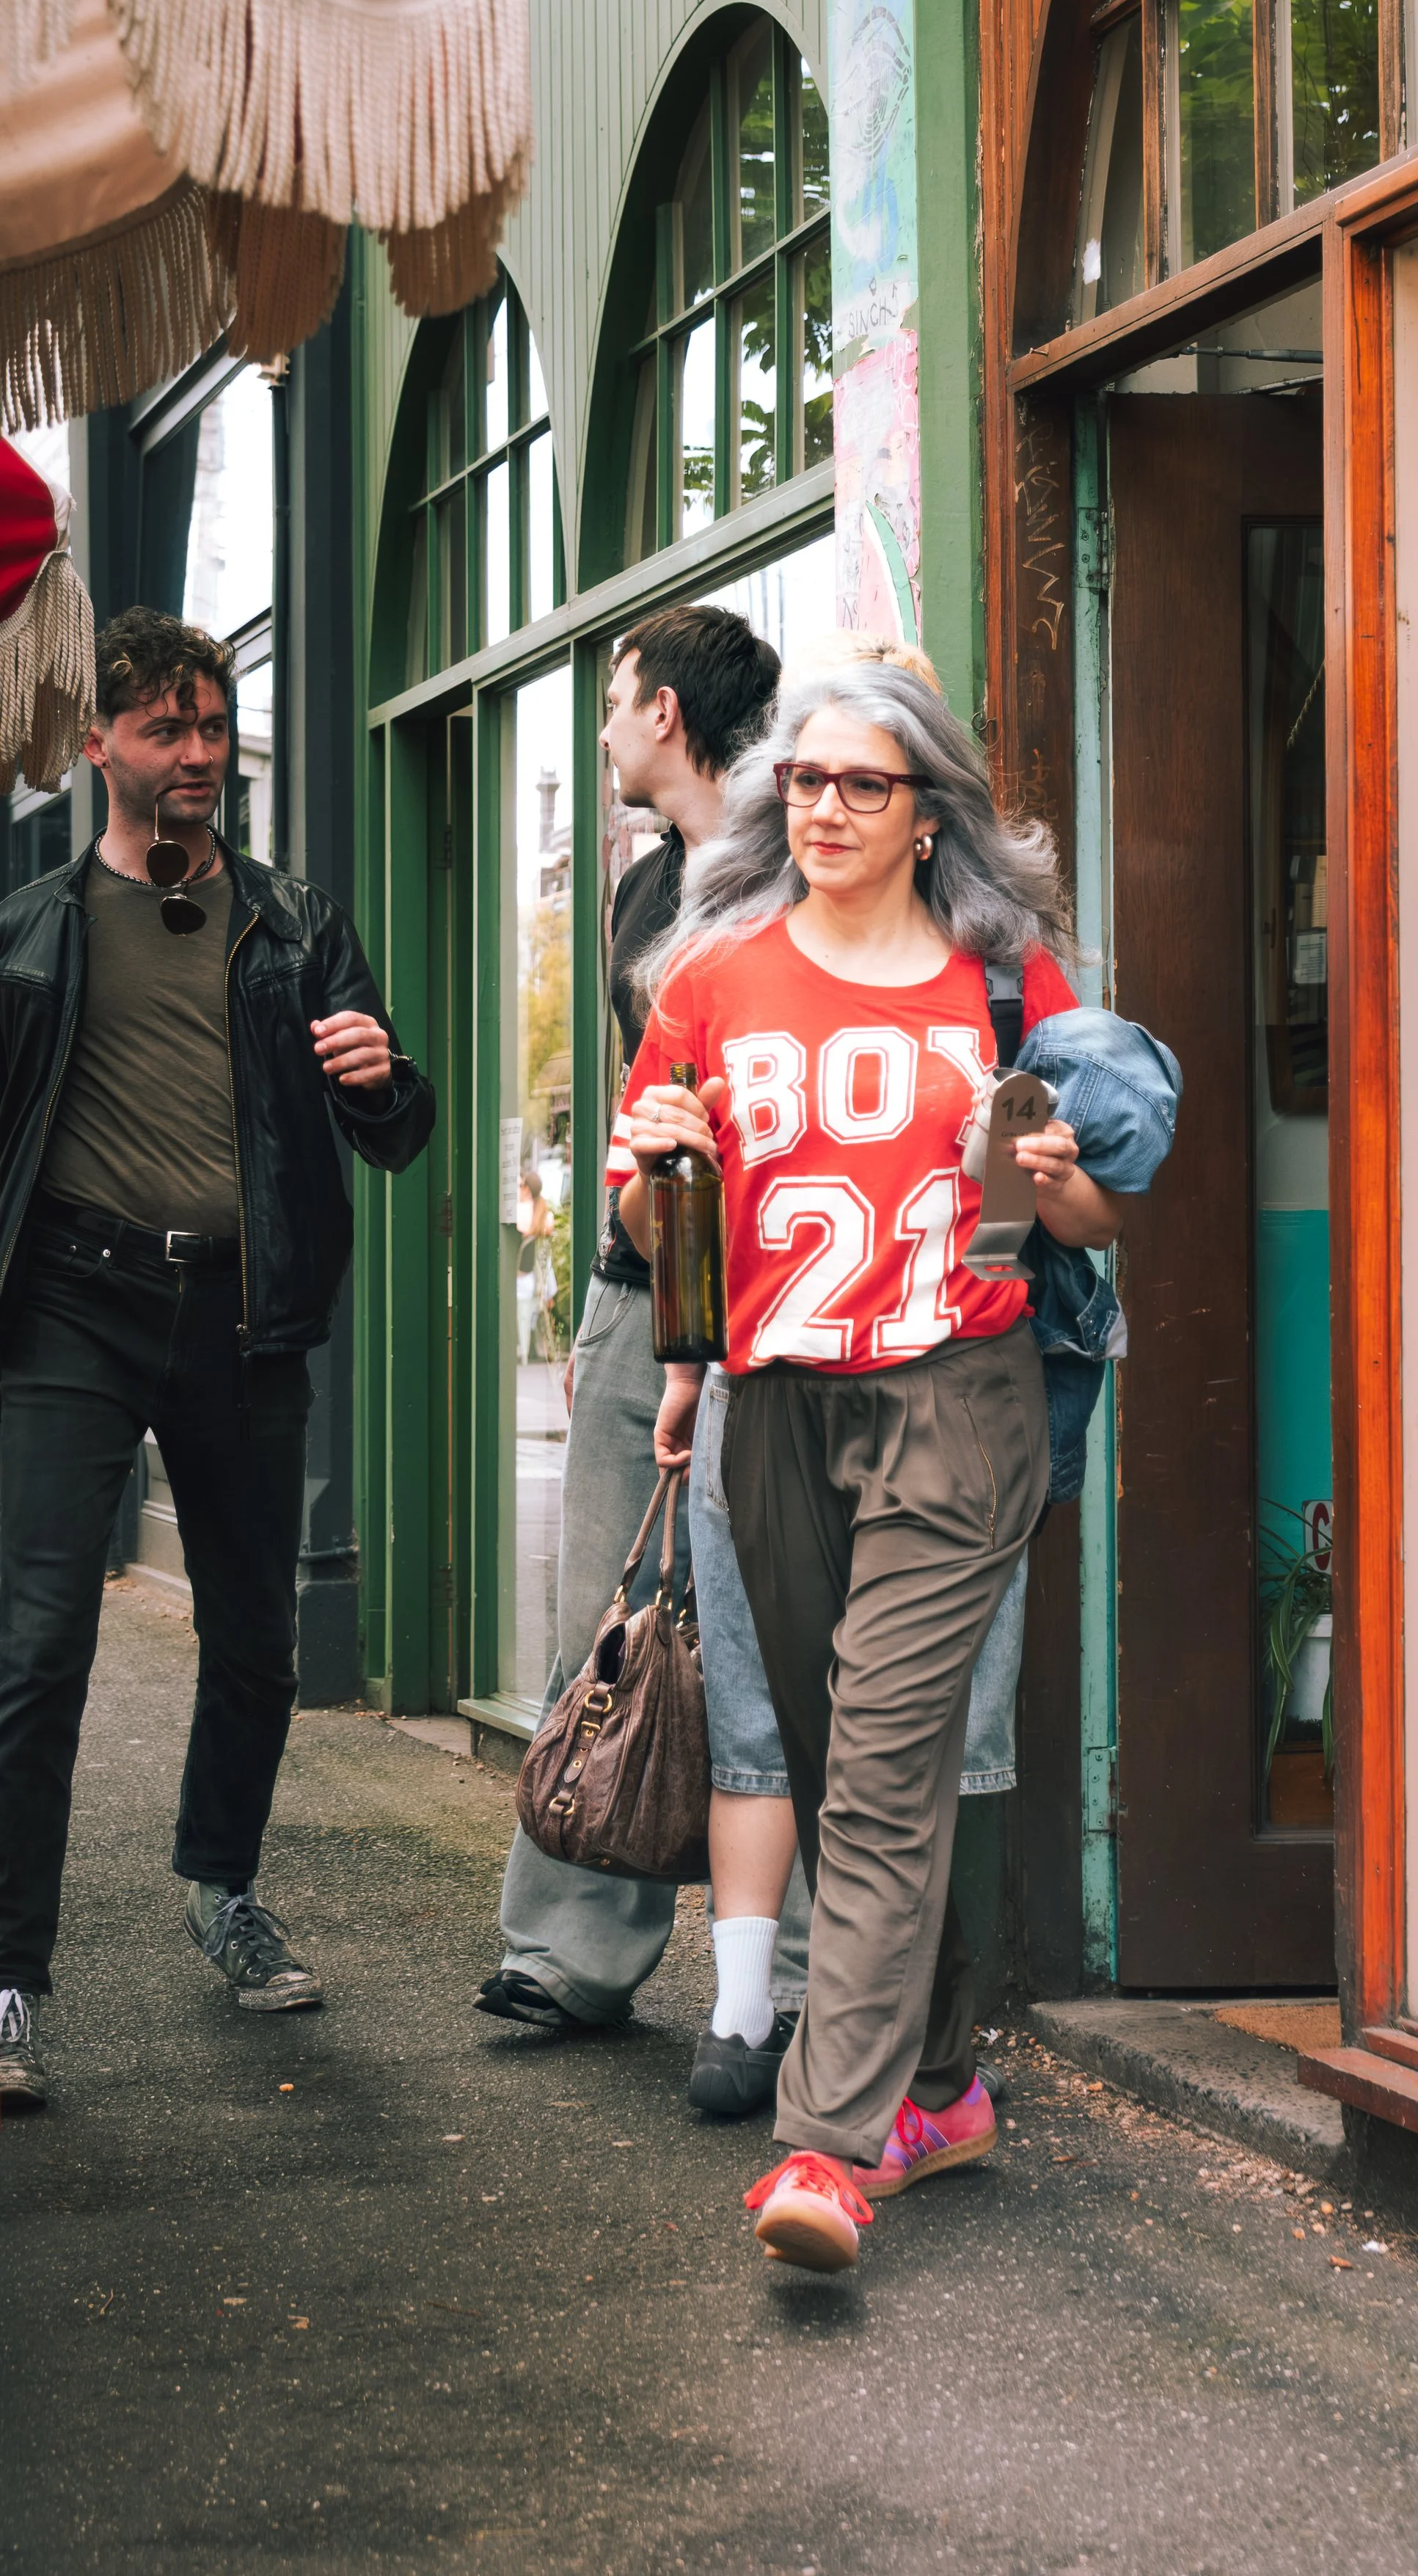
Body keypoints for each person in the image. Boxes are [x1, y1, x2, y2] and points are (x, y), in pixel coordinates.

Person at [618, 663, 1127, 2273]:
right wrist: (661, 1176)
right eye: (802, 783)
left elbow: (1099, 1219)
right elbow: (649, 1231)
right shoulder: (707, 978)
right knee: (849, 1759)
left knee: (892, 1752)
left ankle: (826, 2153)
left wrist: (1060, 1183)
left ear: (928, 816)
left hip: (955, 1391)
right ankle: (940, 2078)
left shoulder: (1007, 985)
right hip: (776, 1401)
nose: (820, 810)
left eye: (859, 785)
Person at [0, 608, 434, 2111]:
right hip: (71, 1303)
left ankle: (224, 1889)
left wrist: (388, 1075)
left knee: (255, 1631)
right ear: (97, 745)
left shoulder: (296, 921)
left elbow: (392, 1128)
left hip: (242, 1313)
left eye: (213, 726)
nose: (199, 756)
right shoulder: (32, 931)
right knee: (36, 1637)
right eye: (169, 731)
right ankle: (9, 1975)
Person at [475, 601, 790, 2048]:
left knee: (780, 1645)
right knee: (604, 1620)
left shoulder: (794, 867)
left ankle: (785, 1982)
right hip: (635, 1290)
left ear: (664, 712)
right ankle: (569, 1952)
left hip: (785, 1303)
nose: (602, 729)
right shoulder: (636, 892)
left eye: (611, 700)